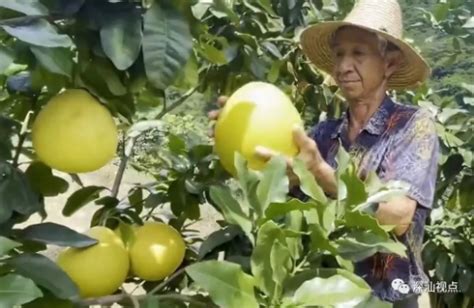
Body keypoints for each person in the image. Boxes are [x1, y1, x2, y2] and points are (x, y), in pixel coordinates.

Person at [208, 0, 439, 307]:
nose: (343, 66)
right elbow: (278, 190)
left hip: (388, 298)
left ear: (390, 63)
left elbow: (398, 216)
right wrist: (236, 137)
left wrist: (320, 174)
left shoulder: (412, 125)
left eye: (358, 53)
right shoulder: (323, 135)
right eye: (339, 54)